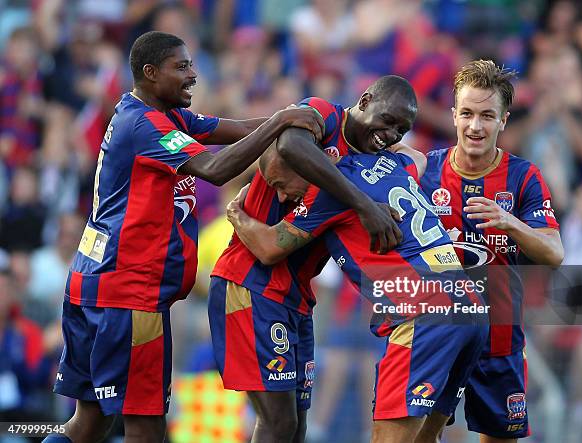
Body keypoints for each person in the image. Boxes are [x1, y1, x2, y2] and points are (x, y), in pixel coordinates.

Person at [42, 31, 400, 443]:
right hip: (128, 294)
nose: (193, 74)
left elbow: (235, 128)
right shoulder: (145, 124)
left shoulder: (159, 115)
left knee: (87, 425)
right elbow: (214, 169)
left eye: (192, 64)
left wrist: (282, 118)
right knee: (146, 427)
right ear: (149, 73)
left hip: (94, 283)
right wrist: (284, 121)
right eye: (181, 67)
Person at [225, 143, 489, 443]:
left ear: (310, 166)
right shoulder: (389, 164)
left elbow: (268, 248)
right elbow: (417, 156)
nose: (282, 197)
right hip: (470, 307)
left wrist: (235, 213)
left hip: (425, 315)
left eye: (281, 184)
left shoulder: (326, 192)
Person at [208, 75, 422, 443]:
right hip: (249, 285)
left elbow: (415, 159)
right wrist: (363, 204)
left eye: (401, 129)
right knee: (278, 424)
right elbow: (290, 145)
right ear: (366, 99)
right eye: (388, 121)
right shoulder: (325, 115)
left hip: (295, 298)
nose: (391, 134)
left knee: (297, 428)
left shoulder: (368, 164)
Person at [417, 59, 564, 443]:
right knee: (418, 436)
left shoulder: (523, 177)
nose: (475, 126)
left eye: (486, 115)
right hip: (438, 337)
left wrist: (510, 221)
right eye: (466, 114)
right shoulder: (423, 172)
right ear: (453, 115)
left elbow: (554, 252)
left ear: (503, 120)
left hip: (499, 340)